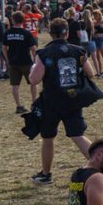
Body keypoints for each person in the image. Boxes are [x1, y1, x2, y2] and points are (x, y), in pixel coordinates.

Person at [28, 18, 95, 185]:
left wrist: (32, 70)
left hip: (52, 101)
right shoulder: (78, 51)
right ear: (67, 33)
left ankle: (46, 174)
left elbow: (34, 80)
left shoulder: (44, 53)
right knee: (77, 135)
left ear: (51, 33)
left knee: (48, 137)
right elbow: (91, 73)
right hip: (73, 98)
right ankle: (98, 165)